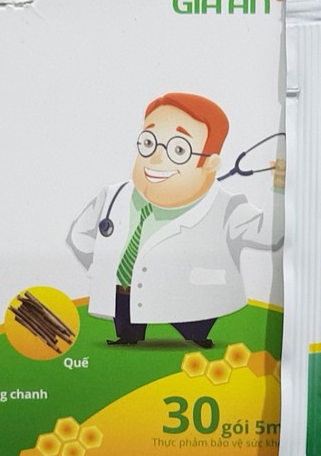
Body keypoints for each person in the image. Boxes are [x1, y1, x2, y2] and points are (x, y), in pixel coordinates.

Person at [67, 92, 284, 348]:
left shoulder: (227, 208)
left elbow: (270, 235)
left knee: (195, 322)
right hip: (124, 291)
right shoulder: (113, 197)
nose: (156, 158)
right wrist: (102, 269)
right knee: (125, 320)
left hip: (194, 296)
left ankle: (196, 334)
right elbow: (79, 234)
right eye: (149, 143)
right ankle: (128, 335)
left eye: (179, 149)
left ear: (210, 163)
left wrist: (279, 189)